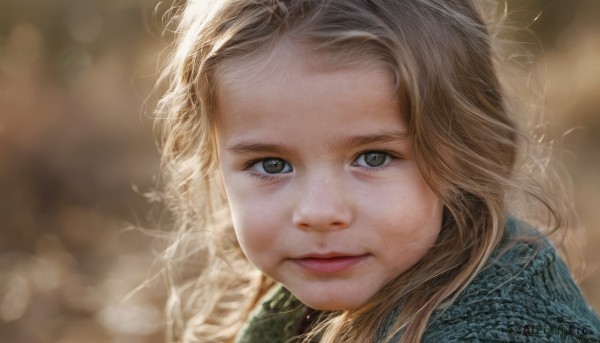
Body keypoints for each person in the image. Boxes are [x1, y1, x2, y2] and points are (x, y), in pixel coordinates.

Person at [153, 0, 600, 342]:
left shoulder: (510, 325)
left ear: (464, 151)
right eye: (271, 165)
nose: (319, 212)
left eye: (374, 157)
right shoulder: (299, 308)